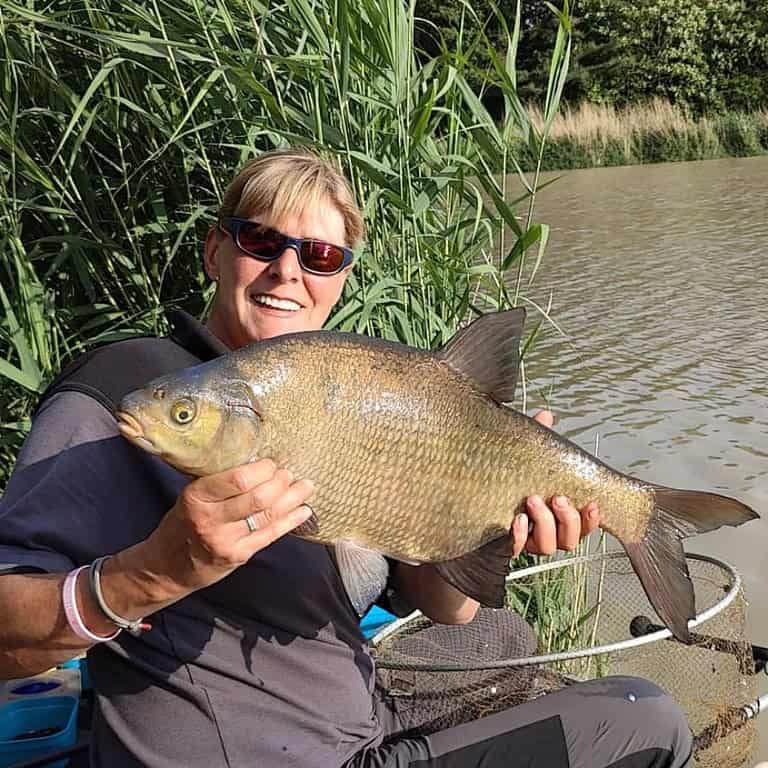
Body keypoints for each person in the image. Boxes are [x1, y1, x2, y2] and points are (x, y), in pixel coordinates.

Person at [0, 147, 693, 768]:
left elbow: (443, 606)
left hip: (360, 722)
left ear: (342, 278)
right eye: (261, 239)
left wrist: (494, 528)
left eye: (321, 256)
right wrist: (152, 572)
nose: (288, 271)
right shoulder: (125, 391)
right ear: (215, 250)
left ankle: (641, 517)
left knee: (493, 635)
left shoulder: (352, 386)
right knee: (645, 719)